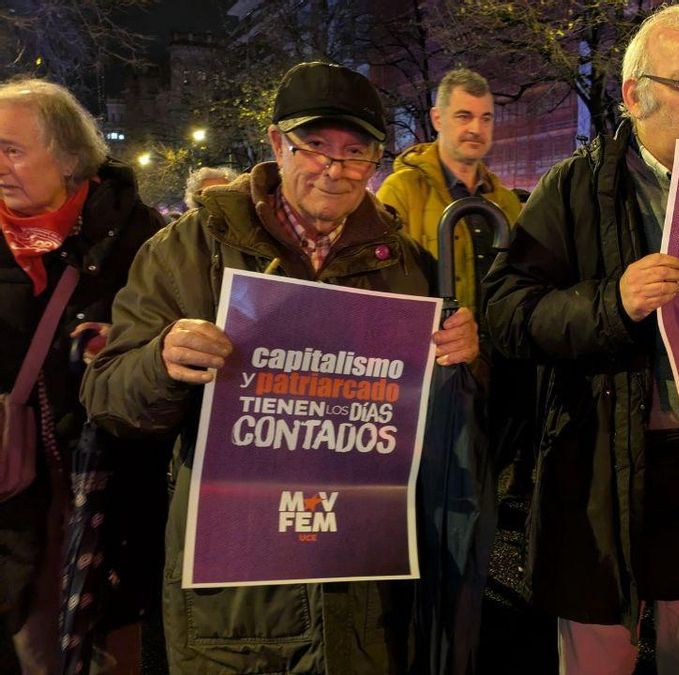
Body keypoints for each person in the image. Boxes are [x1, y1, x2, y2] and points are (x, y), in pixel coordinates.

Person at [81, 61, 480, 673]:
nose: (334, 169)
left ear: (375, 161)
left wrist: (464, 357)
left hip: (360, 585)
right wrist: (162, 361)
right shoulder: (189, 248)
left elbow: (442, 421)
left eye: (355, 153)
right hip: (236, 597)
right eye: (314, 146)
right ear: (276, 144)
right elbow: (107, 397)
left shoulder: (405, 265)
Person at [483, 4, 679, 673]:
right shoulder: (576, 187)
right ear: (634, 95)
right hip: (603, 474)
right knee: (601, 653)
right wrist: (614, 301)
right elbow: (506, 313)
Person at [0, 77, 163, 674]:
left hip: (102, 492)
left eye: (11, 150)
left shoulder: (141, 239)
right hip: (13, 496)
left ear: (69, 157)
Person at [377, 68, 522, 316]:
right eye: (464, 116)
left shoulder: (506, 201)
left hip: (498, 341)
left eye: (486, 118)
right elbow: (382, 289)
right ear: (437, 119)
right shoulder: (401, 191)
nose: (476, 129)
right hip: (431, 339)